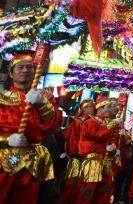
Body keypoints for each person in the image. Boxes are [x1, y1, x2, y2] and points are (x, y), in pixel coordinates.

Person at [0, 52, 61, 203]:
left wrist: (42, 103)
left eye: (29, 67)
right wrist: (7, 139)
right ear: (11, 72)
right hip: (5, 159)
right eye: (20, 67)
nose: (25, 70)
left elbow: (52, 126)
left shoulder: (44, 97)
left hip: (32, 162)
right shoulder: (2, 97)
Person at [71, 96, 120, 204]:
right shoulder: (90, 122)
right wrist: (111, 126)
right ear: (100, 108)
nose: (109, 109)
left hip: (101, 160)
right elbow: (99, 136)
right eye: (108, 107)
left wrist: (112, 147)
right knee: (87, 192)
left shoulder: (103, 122)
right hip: (91, 161)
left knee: (102, 192)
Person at [59, 99, 95, 204]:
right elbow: (73, 139)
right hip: (78, 156)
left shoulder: (94, 121)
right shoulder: (78, 121)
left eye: (92, 106)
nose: (91, 108)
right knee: (72, 184)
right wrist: (76, 153)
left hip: (89, 157)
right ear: (83, 108)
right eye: (88, 106)